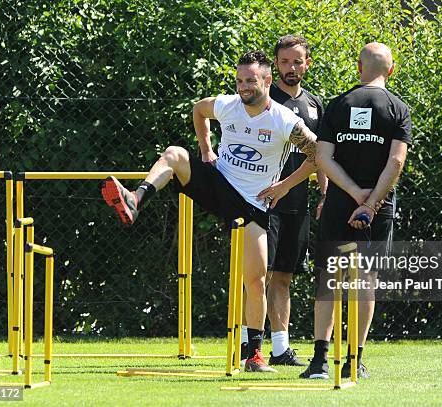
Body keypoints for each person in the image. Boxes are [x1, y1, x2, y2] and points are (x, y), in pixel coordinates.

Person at [100, 50, 319, 373]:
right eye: (240, 81)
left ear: (267, 81)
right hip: (219, 182)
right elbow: (199, 110)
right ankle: (135, 199)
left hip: (254, 203)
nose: (244, 87)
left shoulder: (285, 121)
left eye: (251, 81)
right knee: (175, 154)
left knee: (256, 281)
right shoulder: (228, 104)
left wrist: (285, 185)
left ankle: (254, 355)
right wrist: (206, 148)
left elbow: (318, 154)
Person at [300, 42, 412, 379]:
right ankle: (354, 360)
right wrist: (371, 202)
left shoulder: (339, 104)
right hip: (378, 205)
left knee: (329, 278)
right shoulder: (398, 109)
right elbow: (396, 161)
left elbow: (323, 157)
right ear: (391, 70)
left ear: (359, 68)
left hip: (338, 203)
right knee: (366, 281)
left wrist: (351, 194)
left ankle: (319, 360)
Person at [240, 35, 327, 367]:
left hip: (297, 203)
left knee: (284, 276)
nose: (291, 68)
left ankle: (280, 348)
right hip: (262, 201)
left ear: (307, 64)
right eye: (285, 62)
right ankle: (250, 347)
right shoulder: (263, 98)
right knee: (257, 275)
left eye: (297, 61)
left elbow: (321, 155)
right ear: (275, 65)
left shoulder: (316, 105)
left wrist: (324, 193)